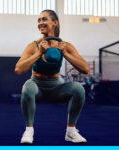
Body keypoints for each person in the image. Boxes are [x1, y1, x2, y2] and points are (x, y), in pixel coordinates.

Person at [15, 9, 89, 144]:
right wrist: (38, 53)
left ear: (54, 22)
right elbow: (19, 69)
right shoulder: (34, 46)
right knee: (27, 87)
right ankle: (29, 130)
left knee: (78, 88)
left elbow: (85, 69)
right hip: (37, 86)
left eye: (44, 19)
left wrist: (65, 53)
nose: (40, 23)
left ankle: (71, 131)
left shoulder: (65, 46)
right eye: (39, 20)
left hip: (56, 88)